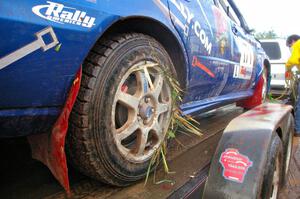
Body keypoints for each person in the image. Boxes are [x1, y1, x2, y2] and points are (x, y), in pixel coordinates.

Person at [286, 34, 300, 136]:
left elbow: (293, 60)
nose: (290, 48)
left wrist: (288, 68)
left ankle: (297, 129)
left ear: (293, 41)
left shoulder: (298, 44)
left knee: (299, 105)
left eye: (290, 46)